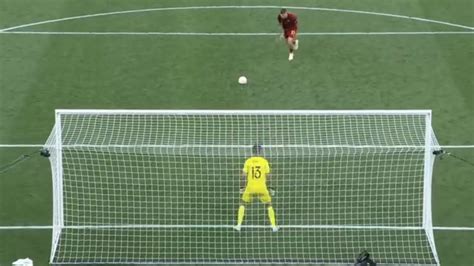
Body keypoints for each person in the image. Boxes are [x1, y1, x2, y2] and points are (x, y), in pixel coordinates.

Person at [233, 144, 278, 232]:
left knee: (242, 203)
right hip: (262, 188)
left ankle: (238, 225)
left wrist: (242, 187)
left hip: (250, 188)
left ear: (253, 151)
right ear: (260, 151)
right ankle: (273, 226)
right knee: (269, 205)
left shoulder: (248, 161)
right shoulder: (264, 161)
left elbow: (243, 176)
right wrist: (270, 187)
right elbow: (268, 176)